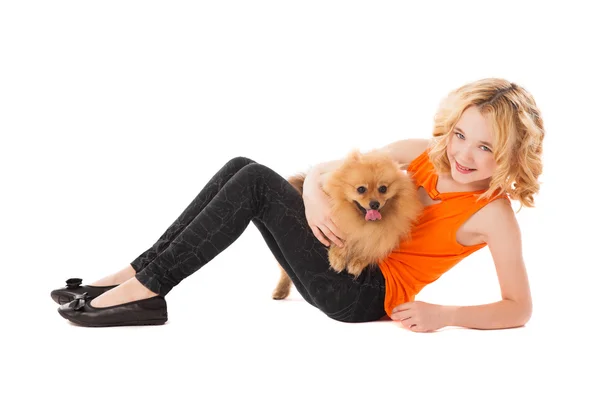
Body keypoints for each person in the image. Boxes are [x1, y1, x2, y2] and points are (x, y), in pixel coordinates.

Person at [52, 77, 544, 332]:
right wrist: (311, 195)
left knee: (257, 183)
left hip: (363, 293)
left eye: (486, 148)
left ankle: (146, 290)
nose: (464, 155)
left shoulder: (493, 214)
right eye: (461, 135)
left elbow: (518, 308)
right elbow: (333, 169)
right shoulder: (421, 153)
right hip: (338, 253)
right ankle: (135, 274)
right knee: (242, 165)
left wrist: (446, 314)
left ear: (512, 155)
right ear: (449, 126)